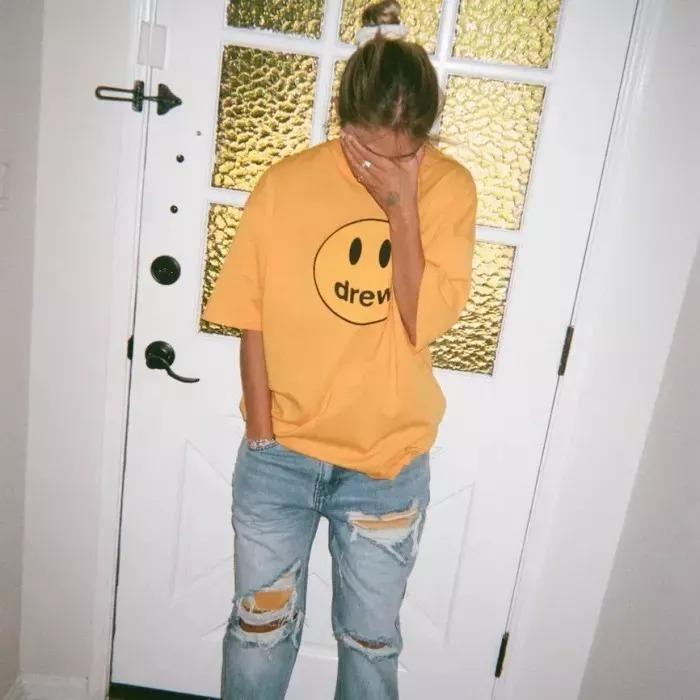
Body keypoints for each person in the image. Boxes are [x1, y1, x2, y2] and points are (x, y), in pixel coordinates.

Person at [201, 2, 477, 697]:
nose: (385, 165)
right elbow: (251, 317)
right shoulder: (286, 184)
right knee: (259, 630)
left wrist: (403, 207)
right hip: (281, 461)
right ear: (344, 121)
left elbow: (421, 320)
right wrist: (262, 431)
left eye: (405, 153)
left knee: (371, 642)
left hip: (385, 465)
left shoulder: (448, 189)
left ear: (426, 134)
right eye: (368, 149)